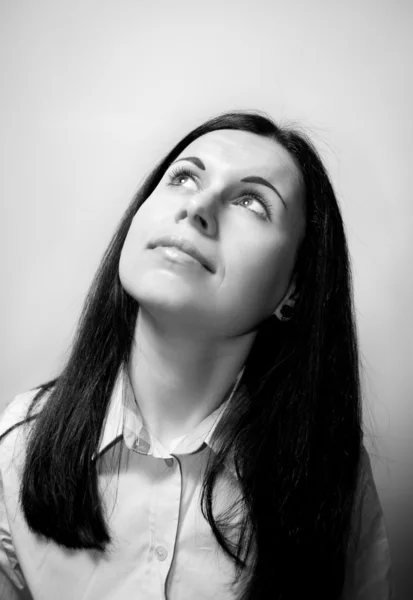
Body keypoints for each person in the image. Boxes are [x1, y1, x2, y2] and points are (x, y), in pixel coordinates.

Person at [0, 111, 393, 600]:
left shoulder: (332, 473)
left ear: (293, 290)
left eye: (252, 202)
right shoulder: (18, 443)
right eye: (184, 177)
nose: (198, 206)